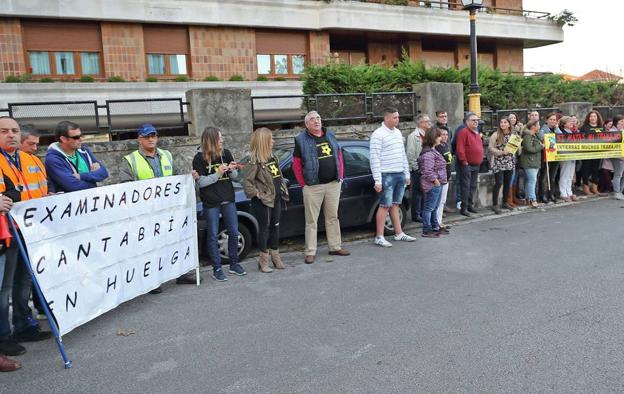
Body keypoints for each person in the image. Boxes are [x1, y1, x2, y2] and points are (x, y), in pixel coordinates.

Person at [120, 123, 195, 292]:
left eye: (153, 135)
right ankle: (153, 281)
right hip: (146, 211)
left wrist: (188, 178)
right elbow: (125, 186)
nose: (151, 139)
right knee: (151, 246)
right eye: (147, 136)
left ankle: (181, 273)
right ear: (139, 139)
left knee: (175, 240)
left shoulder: (166, 155)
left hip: (169, 209)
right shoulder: (130, 160)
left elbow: (176, 178)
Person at [0, 117, 51, 362]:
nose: (11, 135)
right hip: (5, 235)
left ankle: (24, 325)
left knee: (24, 283)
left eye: (14, 131)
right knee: (4, 288)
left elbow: (40, 190)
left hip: (31, 231)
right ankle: (4, 336)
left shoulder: (32, 160)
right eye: (4, 131)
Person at [292, 111, 349, 264]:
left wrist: (340, 177)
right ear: (307, 124)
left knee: (332, 217)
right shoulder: (300, 140)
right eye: (312, 119)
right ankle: (310, 251)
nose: (316, 121)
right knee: (311, 221)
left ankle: (335, 246)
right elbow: (296, 164)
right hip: (313, 187)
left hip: (333, 184)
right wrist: (303, 184)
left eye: (318, 118)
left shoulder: (330, 134)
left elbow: (338, 155)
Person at [192, 127, 246, 282]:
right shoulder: (199, 158)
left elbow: (236, 178)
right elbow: (201, 183)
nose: (222, 140)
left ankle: (234, 264)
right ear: (211, 140)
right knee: (213, 235)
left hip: (228, 198)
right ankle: (217, 268)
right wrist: (218, 173)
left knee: (234, 232)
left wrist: (232, 170)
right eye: (220, 138)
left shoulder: (226, 153)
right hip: (210, 202)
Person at [243, 128, 289, 273]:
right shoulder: (254, 161)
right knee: (264, 229)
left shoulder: (272, 157)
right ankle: (263, 261)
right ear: (264, 141)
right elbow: (247, 182)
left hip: (276, 198)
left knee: (275, 226)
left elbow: (278, 176)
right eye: (271, 139)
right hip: (263, 201)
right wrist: (257, 194)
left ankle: (276, 257)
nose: (273, 141)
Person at [370, 107, 416, 247]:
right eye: (395, 117)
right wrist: (378, 180)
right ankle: (379, 236)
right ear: (387, 118)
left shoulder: (397, 132)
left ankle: (399, 233)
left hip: (399, 173)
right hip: (386, 174)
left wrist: (406, 173)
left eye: (398, 117)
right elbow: (374, 158)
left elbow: (403, 154)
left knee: (396, 204)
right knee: (384, 205)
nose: (398, 119)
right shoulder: (378, 134)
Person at [45, 121, 109, 193]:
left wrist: (81, 176)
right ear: (63, 139)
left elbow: (104, 173)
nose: (81, 139)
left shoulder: (84, 151)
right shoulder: (53, 159)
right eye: (76, 137)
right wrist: (93, 182)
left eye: (81, 135)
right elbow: (72, 186)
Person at [418, 128, 448, 238]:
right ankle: (426, 229)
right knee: (429, 208)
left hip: (437, 183)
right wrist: (435, 181)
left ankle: (435, 226)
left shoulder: (433, 150)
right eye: (439, 136)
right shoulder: (429, 153)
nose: (441, 138)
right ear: (433, 138)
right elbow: (427, 170)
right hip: (432, 184)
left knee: (434, 207)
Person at [455, 112, 483, 217]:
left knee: (473, 186)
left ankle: (470, 205)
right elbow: (460, 149)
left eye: (477, 120)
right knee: (466, 186)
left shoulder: (476, 132)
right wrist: (464, 161)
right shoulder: (463, 132)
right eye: (473, 120)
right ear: (467, 122)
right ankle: (464, 207)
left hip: (476, 164)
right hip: (467, 164)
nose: (476, 122)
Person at [488, 116, 516, 214]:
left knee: (507, 183)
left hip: (509, 162)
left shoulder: (513, 135)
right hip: (498, 162)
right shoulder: (495, 135)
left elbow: (517, 148)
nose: (502, 124)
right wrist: (500, 152)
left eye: (505, 122)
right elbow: (490, 148)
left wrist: (517, 147)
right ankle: (495, 204)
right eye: (501, 122)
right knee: (499, 182)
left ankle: (505, 202)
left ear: (509, 124)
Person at [406, 114, 430, 222]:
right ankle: (416, 215)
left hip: (425, 168)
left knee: (424, 192)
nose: (429, 123)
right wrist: (416, 168)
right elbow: (410, 154)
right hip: (417, 169)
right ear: (421, 123)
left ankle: (422, 212)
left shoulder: (427, 134)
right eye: (427, 121)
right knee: (417, 193)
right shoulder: (413, 136)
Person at [579, 110, 604, 195]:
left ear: (597, 118)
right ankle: (585, 187)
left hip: (598, 153)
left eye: (594, 116)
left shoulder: (601, 127)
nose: (593, 118)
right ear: (588, 118)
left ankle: (594, 187)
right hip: (587, 153)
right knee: (586, 169)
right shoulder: (584, 127)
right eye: (591, 116)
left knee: (595, 170)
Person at [538, 113, 561, 204]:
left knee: (552, 176)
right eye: (551, 119)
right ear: (547, 120)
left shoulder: (556, 129)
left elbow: (561, 138)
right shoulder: (543, 130)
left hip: (555, 155)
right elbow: (541, 138)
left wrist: (557, 128)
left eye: (554, 120)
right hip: (546, 156)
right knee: (544, 176)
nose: (553, 121)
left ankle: (551, 194)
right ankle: (542, 195)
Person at [520, 120, 543, 208]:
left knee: (530, 180)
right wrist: (540, 146)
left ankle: (528, 198)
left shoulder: (535, 136)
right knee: (532, 180)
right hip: (529, 161)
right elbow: (529, 149)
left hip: (534, 161)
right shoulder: (528, 136)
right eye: (538, 125)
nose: (539, 127)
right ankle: (532, 199)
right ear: (533, 126)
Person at [434, 128, 452, 229]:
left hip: (446, 178)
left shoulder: (445, 146)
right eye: (442, 135)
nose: (444, 136)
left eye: (446, 134)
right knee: (438, 201)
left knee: (442, 201)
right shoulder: (437, 147)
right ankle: (436, 222)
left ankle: (439, 221)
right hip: (440, 178)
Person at [557, 116, 578, 202]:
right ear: (564, 124)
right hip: (565, 155)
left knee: (570, 175)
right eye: (569, 122)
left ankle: (569, 191)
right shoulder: (562, 132)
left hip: (573, 155)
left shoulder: (571, 132)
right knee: (564, 174)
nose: (571, 123)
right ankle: (563, 193)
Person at [610, 115, 624, 200]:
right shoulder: (612, 131)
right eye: (621, 121)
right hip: (617, 156)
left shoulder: (622, 130)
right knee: (618, 174)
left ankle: (621, 191)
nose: (623, 123)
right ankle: (617, 192)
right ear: (616, 122)